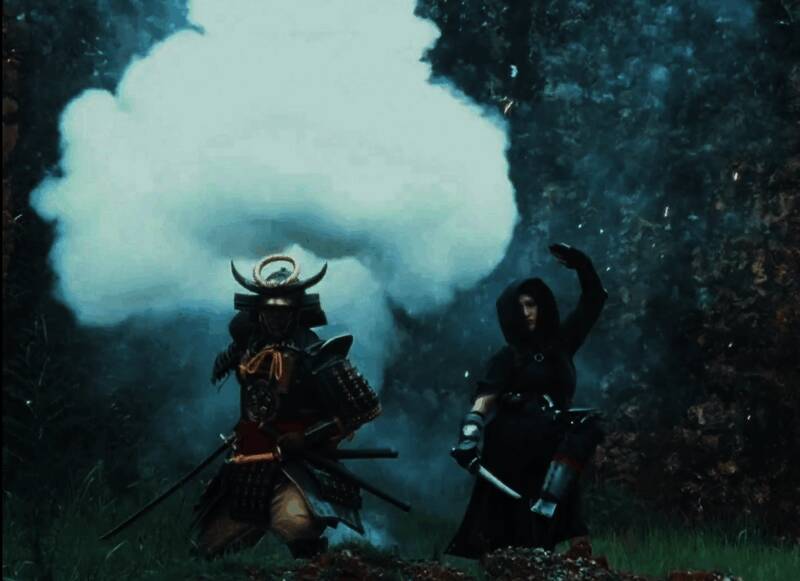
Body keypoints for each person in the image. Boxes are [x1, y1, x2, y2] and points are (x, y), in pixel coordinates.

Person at [194, 255, 382, 559]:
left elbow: (364, 408)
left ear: (296, 313)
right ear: (259, 312)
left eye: (283, 312)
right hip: (248, 462)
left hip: (298, 467)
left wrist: (306, 438)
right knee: (209, 549)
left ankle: (316, 569)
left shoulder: (316, 353)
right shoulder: (247, 347)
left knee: (298, 529)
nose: (276, 319)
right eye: (270, 311)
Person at [447, 243, 607, 559]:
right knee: (511, 532)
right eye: (519, 306)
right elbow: (484, 400)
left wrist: (583, 265)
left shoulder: (562, 344)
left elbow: (593, 300)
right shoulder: (508, 357)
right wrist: (469, 437)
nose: (526, 312)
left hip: (553, 446)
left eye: (531, 304)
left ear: (541, 306)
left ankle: (551, 520)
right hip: (512, 445)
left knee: (588, 428)